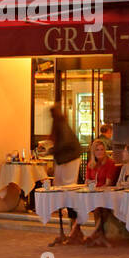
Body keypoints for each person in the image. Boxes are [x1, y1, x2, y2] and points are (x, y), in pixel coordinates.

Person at [37, 105, 81, 244]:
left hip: (68, 160)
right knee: (62, 189)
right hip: (66, 160)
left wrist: (51, 150)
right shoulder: (61, 125)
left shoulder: (61, 125)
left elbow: (65, 143)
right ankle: (71, 229)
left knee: (67, 190)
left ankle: (74, 229)